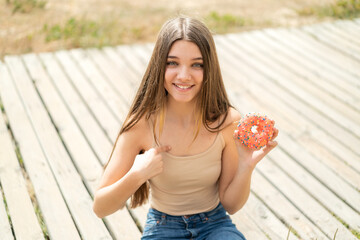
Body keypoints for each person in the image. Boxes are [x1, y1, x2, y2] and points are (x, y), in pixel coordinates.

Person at [93, 16, 278, 239]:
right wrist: (137, 174)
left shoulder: (226, 121)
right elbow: (100, 207)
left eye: (196, 65)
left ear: (208, 68)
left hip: (215, 223)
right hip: (163, 225)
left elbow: (231, 205)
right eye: (172, 63)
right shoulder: (141, 124)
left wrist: (246, 166)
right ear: (159, 65)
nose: (183, 75)